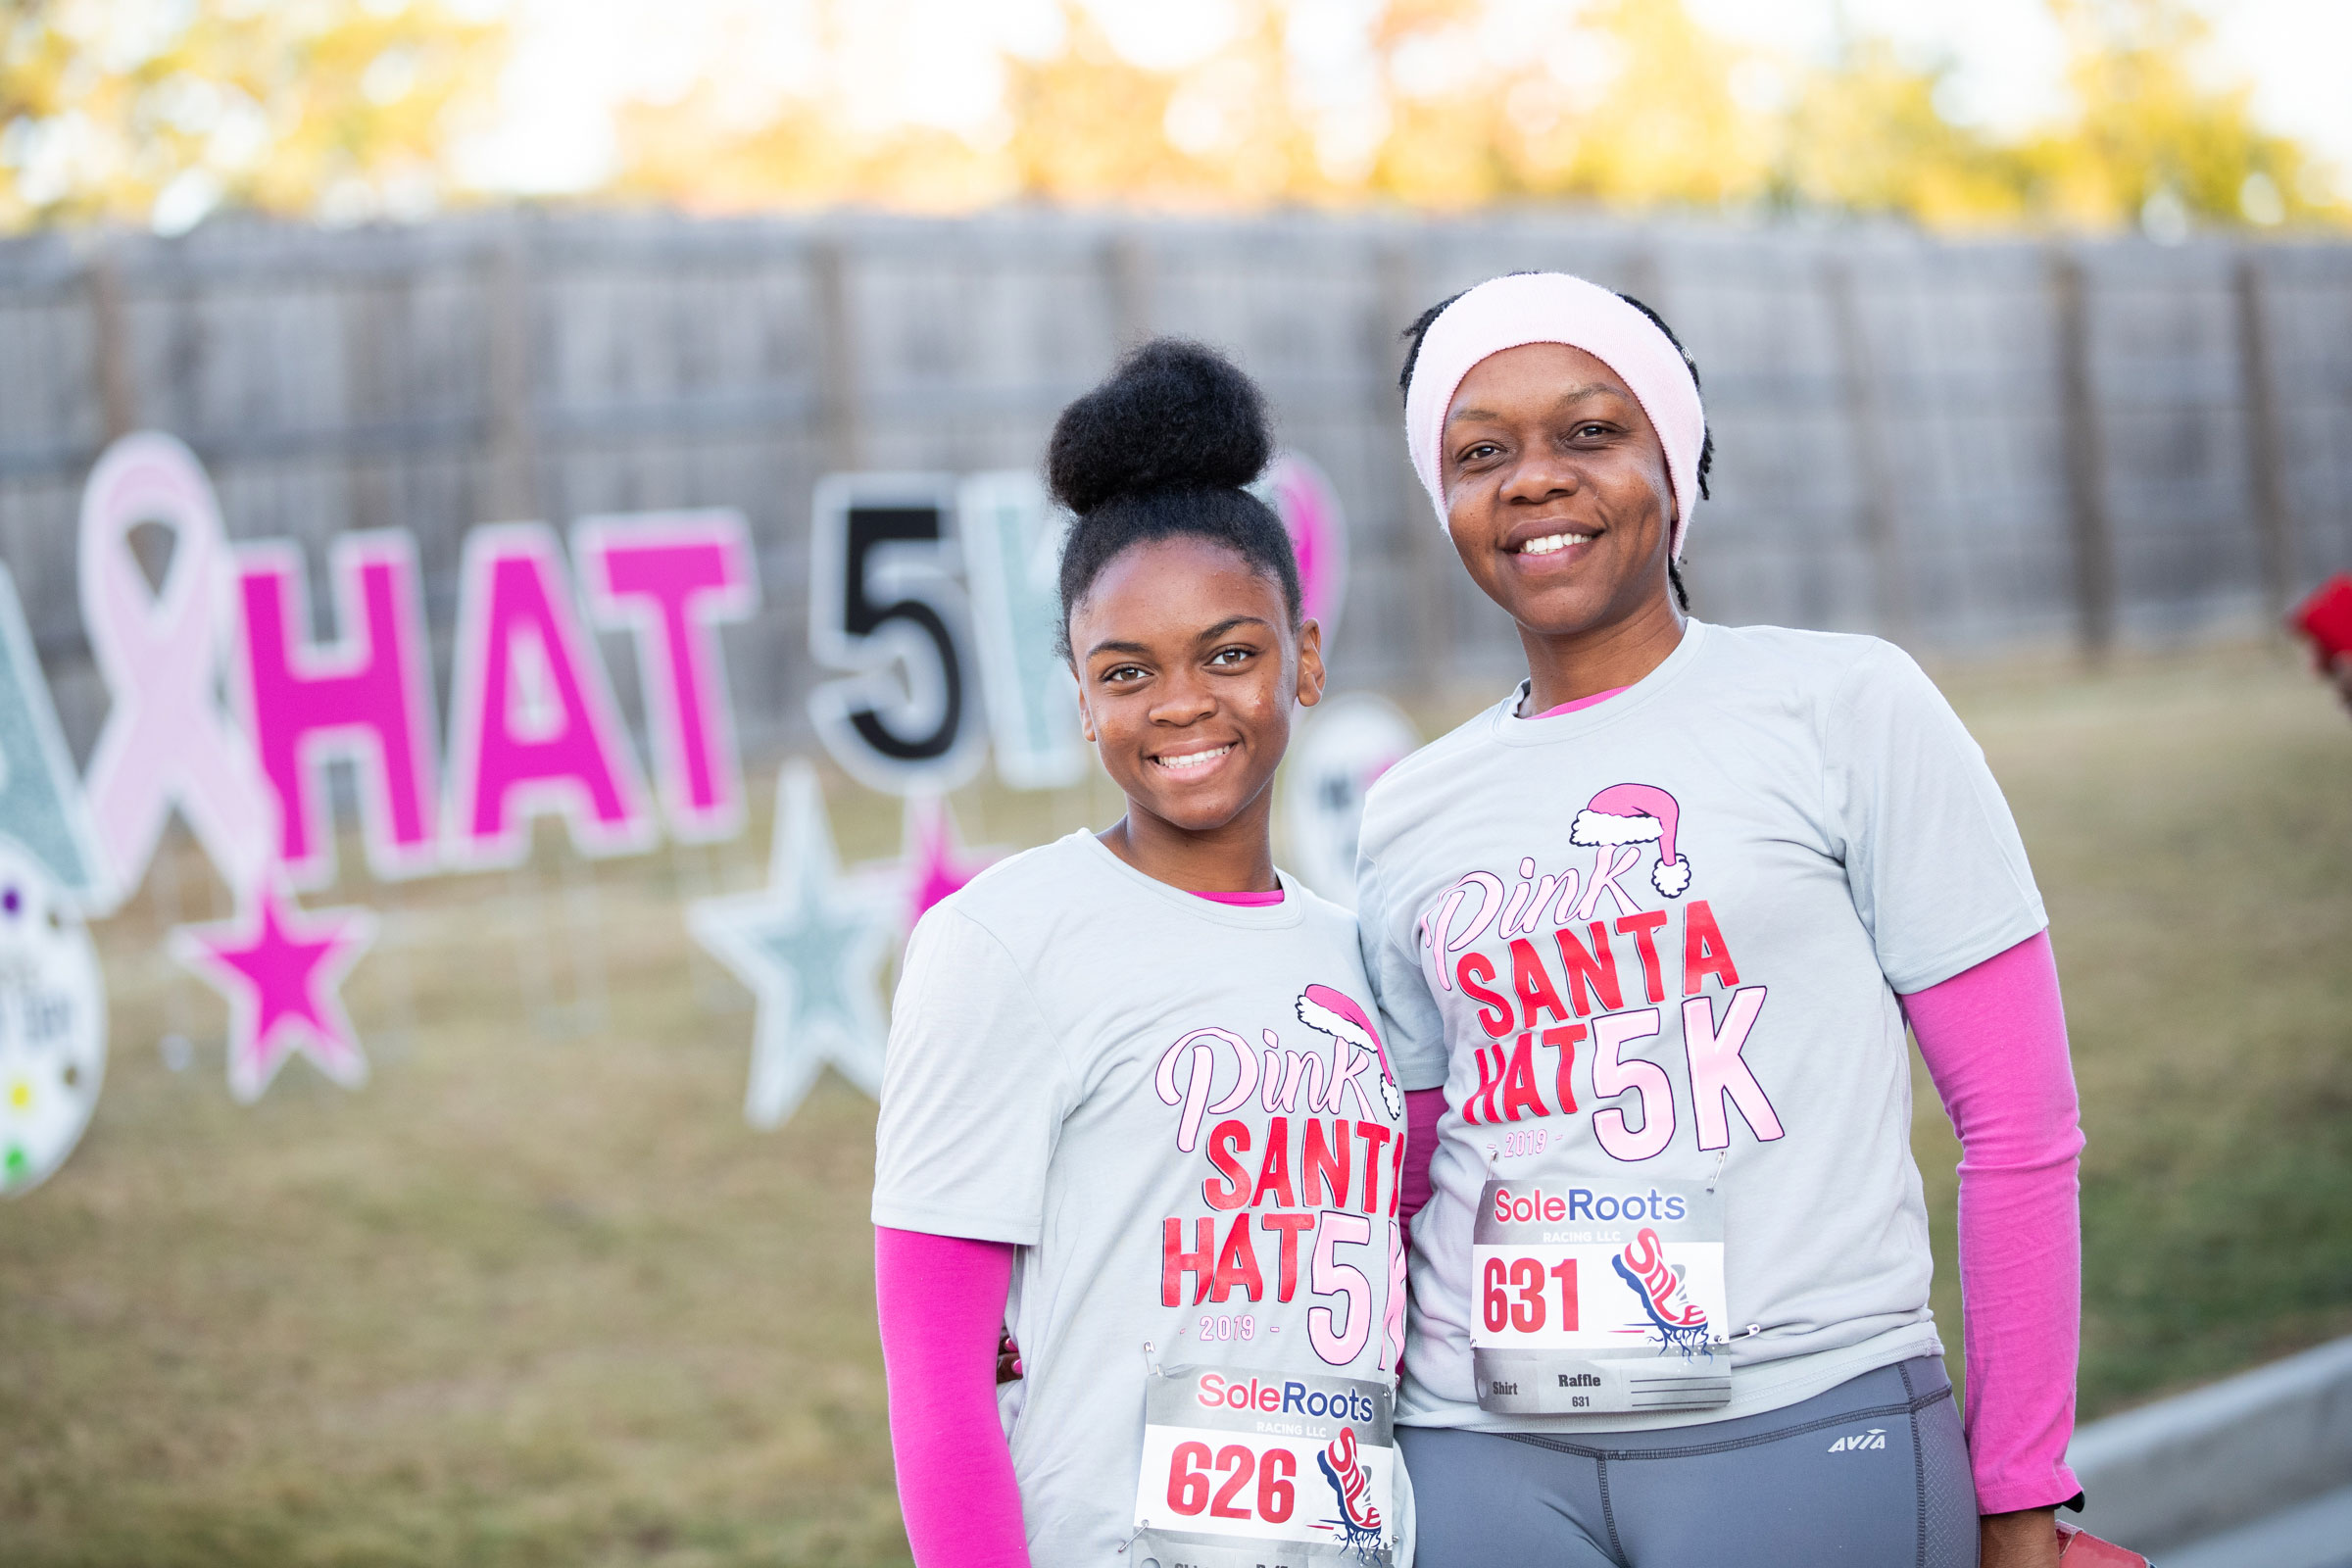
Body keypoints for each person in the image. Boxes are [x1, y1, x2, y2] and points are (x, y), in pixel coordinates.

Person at [1354, 272, 2085, 1568]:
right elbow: (1405, 1177)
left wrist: (2021, 1489)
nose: (1534, 479)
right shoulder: (1408, 813)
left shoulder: (1846, 706)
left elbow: (2019, 1125)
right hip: (1480, 1450)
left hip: (1801, 1425)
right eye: (1480, 452)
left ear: (1675, 464)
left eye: (1590, 432)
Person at [871, 339, 1413, 1567]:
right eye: (1128, 672)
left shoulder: (1363, 963)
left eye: (1229, 652)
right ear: (1080, 698)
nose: (1180, 704)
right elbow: (935, 1373)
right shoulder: (1003, 944)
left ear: (1305, 659)